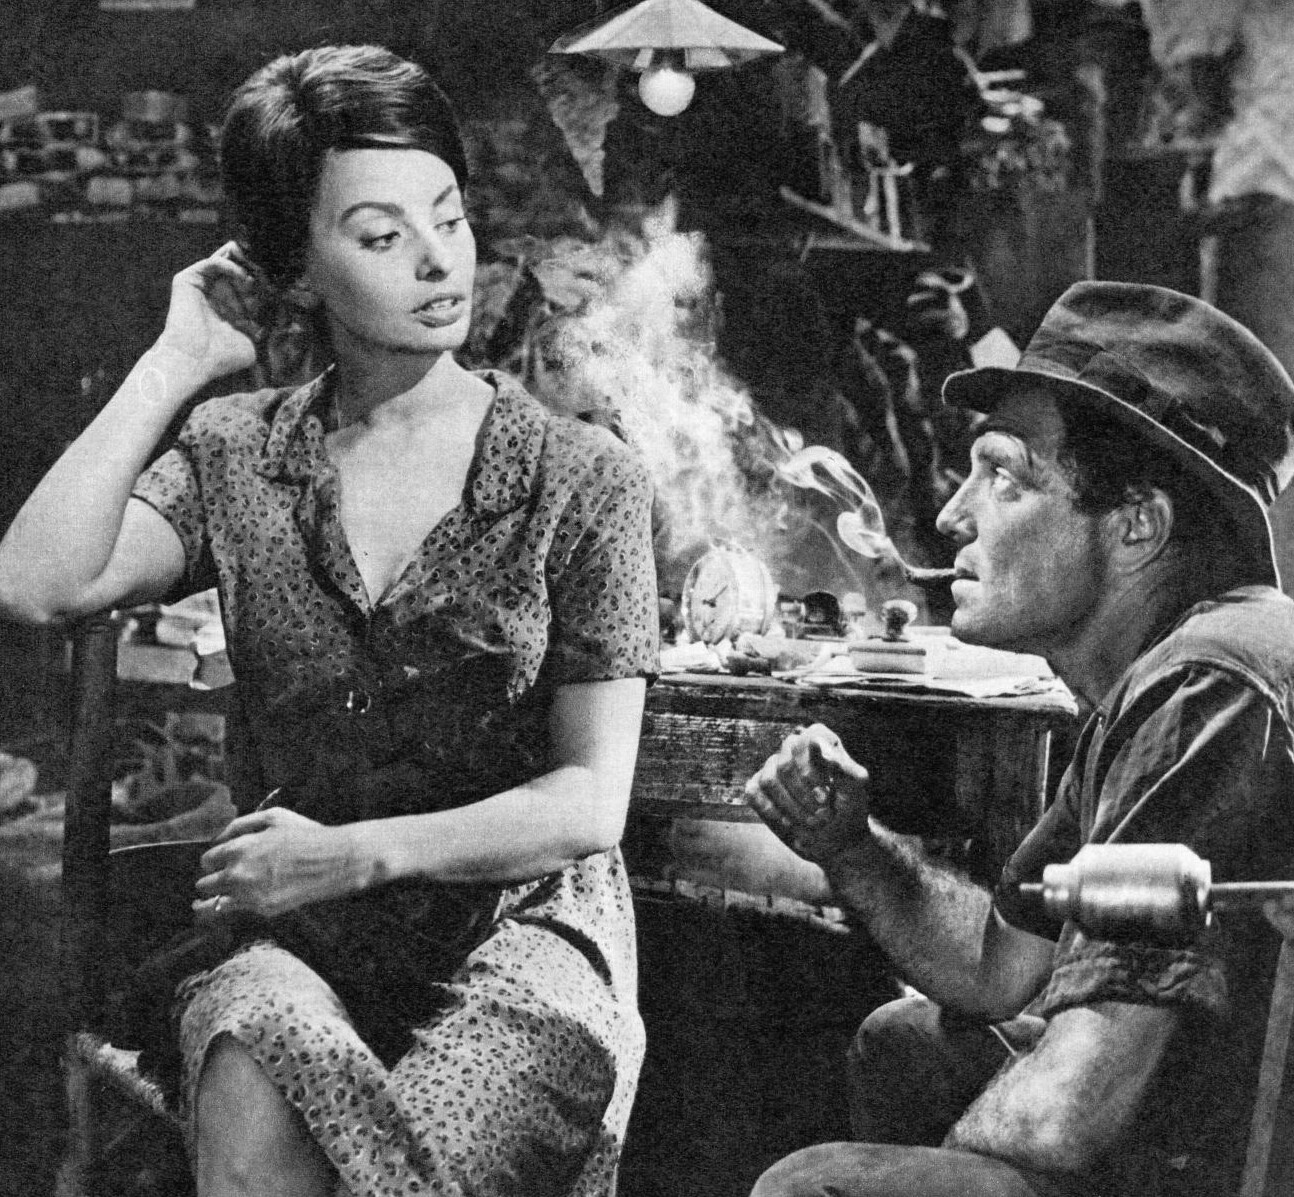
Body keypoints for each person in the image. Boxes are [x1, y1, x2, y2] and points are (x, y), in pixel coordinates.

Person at [0, 44, 659, 1197]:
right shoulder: (237, 454)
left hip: (520, 937)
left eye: (447, 217)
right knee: (253, 1067)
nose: (438, 260)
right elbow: (35, 582)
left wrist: (349, 855)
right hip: (297, 938)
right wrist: (174, 363)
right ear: (296, 272)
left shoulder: (581, 475)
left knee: (425, 1133)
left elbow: (587, 804)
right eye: (380, 235)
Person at [743, 280, 1294, 1197]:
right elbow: (1000, 961)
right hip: (1197, 1119)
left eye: (1004, 478)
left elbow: (1066, 1112)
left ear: (1138, 524)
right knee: (904, 1043)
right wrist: (850, 845)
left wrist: (935, 1165)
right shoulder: (1159, 675)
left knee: (812, 1185)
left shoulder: (1207, 685)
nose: (953, 515)